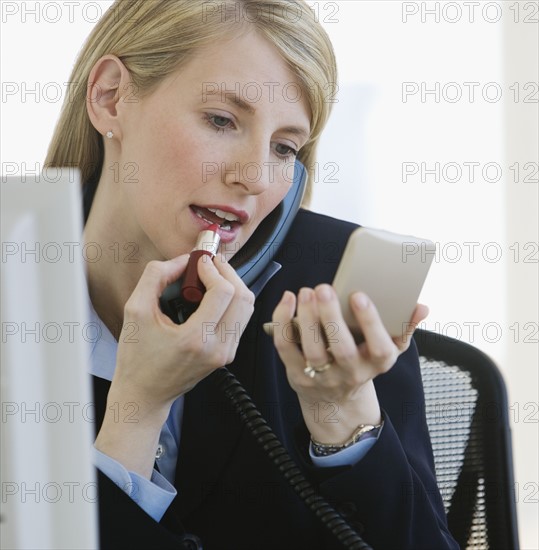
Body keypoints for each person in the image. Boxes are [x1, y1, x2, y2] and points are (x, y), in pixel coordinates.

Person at [45, 1, 458, 548]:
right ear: (110, 97)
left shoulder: (329, 279)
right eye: (221, 120)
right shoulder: (22, 306)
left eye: (285, 147)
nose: (255, 177)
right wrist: (136, 413)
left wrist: (345, 419)